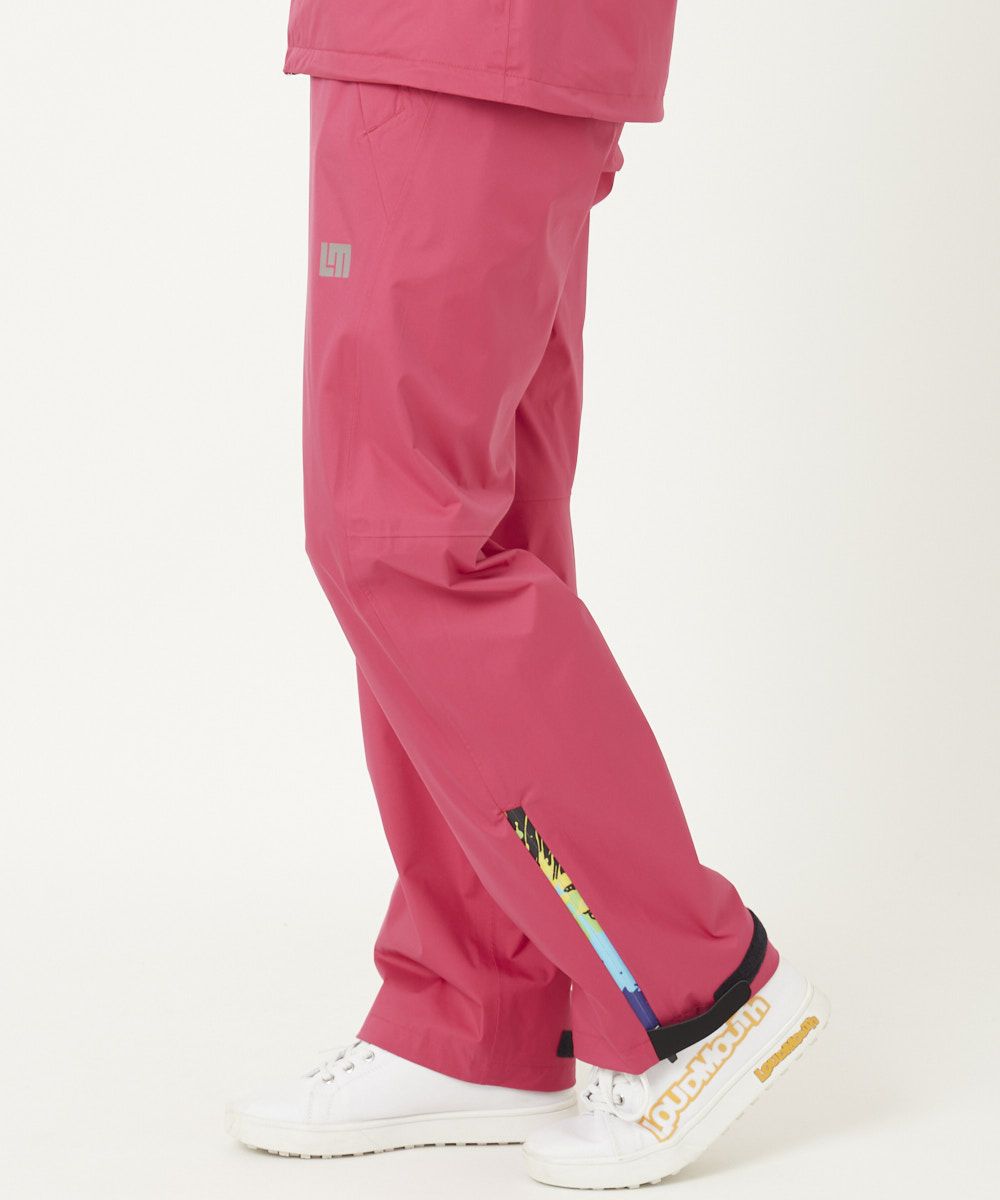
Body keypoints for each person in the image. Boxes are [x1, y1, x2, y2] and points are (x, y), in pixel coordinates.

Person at [226, 2, 829, 1187]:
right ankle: (481, 1014)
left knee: (400, 537)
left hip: (450, 37)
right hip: (499, 46)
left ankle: (696, 987)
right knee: (473, 526)